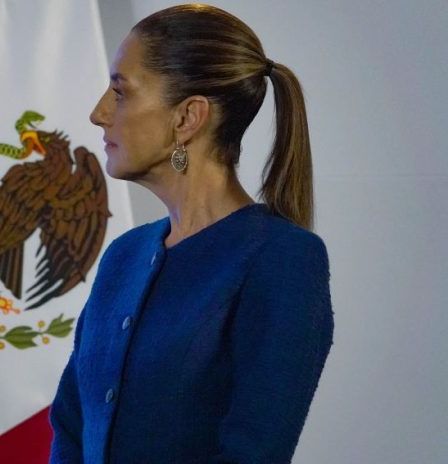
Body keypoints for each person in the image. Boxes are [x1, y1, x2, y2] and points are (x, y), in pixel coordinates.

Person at [48, 4, 334, 463]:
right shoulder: (124, 255)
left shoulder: (281, 258)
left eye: (120, 93)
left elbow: (253, 451)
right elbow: (72, 424)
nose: (98, 113)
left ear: (187, 118)